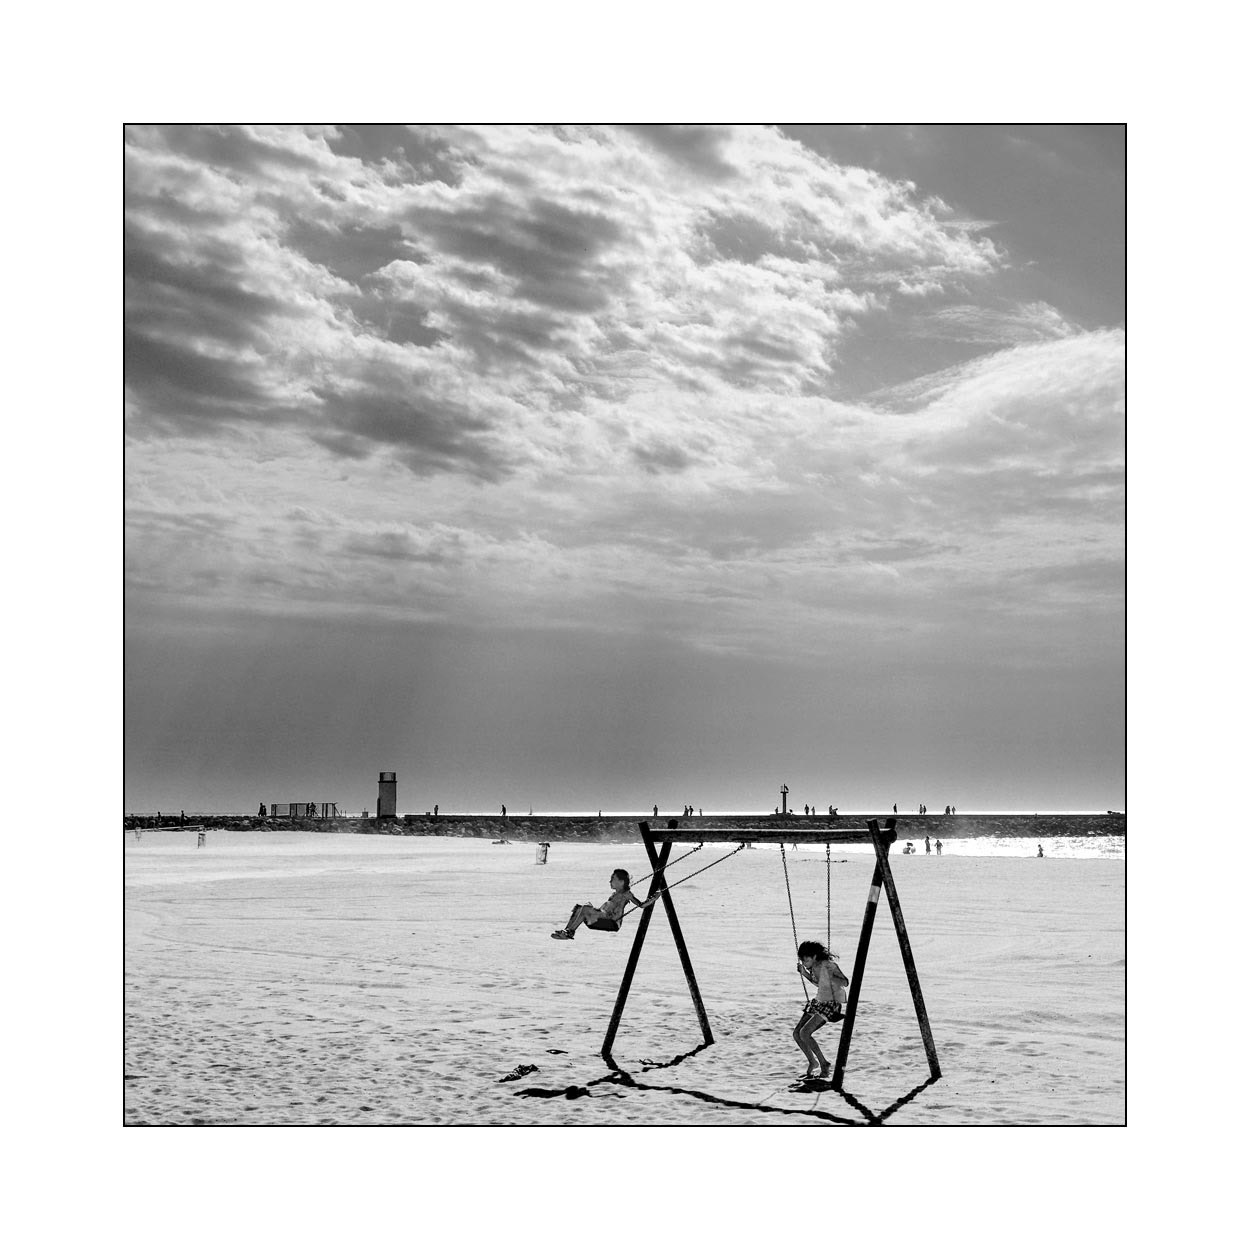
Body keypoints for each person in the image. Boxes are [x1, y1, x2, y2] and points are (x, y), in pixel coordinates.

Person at [793, 941, 849, 1079]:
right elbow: (819, 984)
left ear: (814, 956)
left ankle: (824, 1063)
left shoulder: (829, 965)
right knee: (797, 1034)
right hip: (819, 1002)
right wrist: (805, 973)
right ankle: (813, 1062)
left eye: (806, 960)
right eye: (802, 961)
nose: (804, 963)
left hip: (831, 1004)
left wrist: (832, 976)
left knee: (805, 1033)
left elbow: (845, 982)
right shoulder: (814, 967)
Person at [551, 869, 656, 939]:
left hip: (612, 921)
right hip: (604, 917)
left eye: (613, 879)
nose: (610, 881)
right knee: (579, 907)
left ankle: (570, 932)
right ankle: (567, 931)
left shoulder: (626, 894)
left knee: (586, 908)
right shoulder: (615, 894)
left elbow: (641, 905)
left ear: (621, 882)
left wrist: (655, 897)